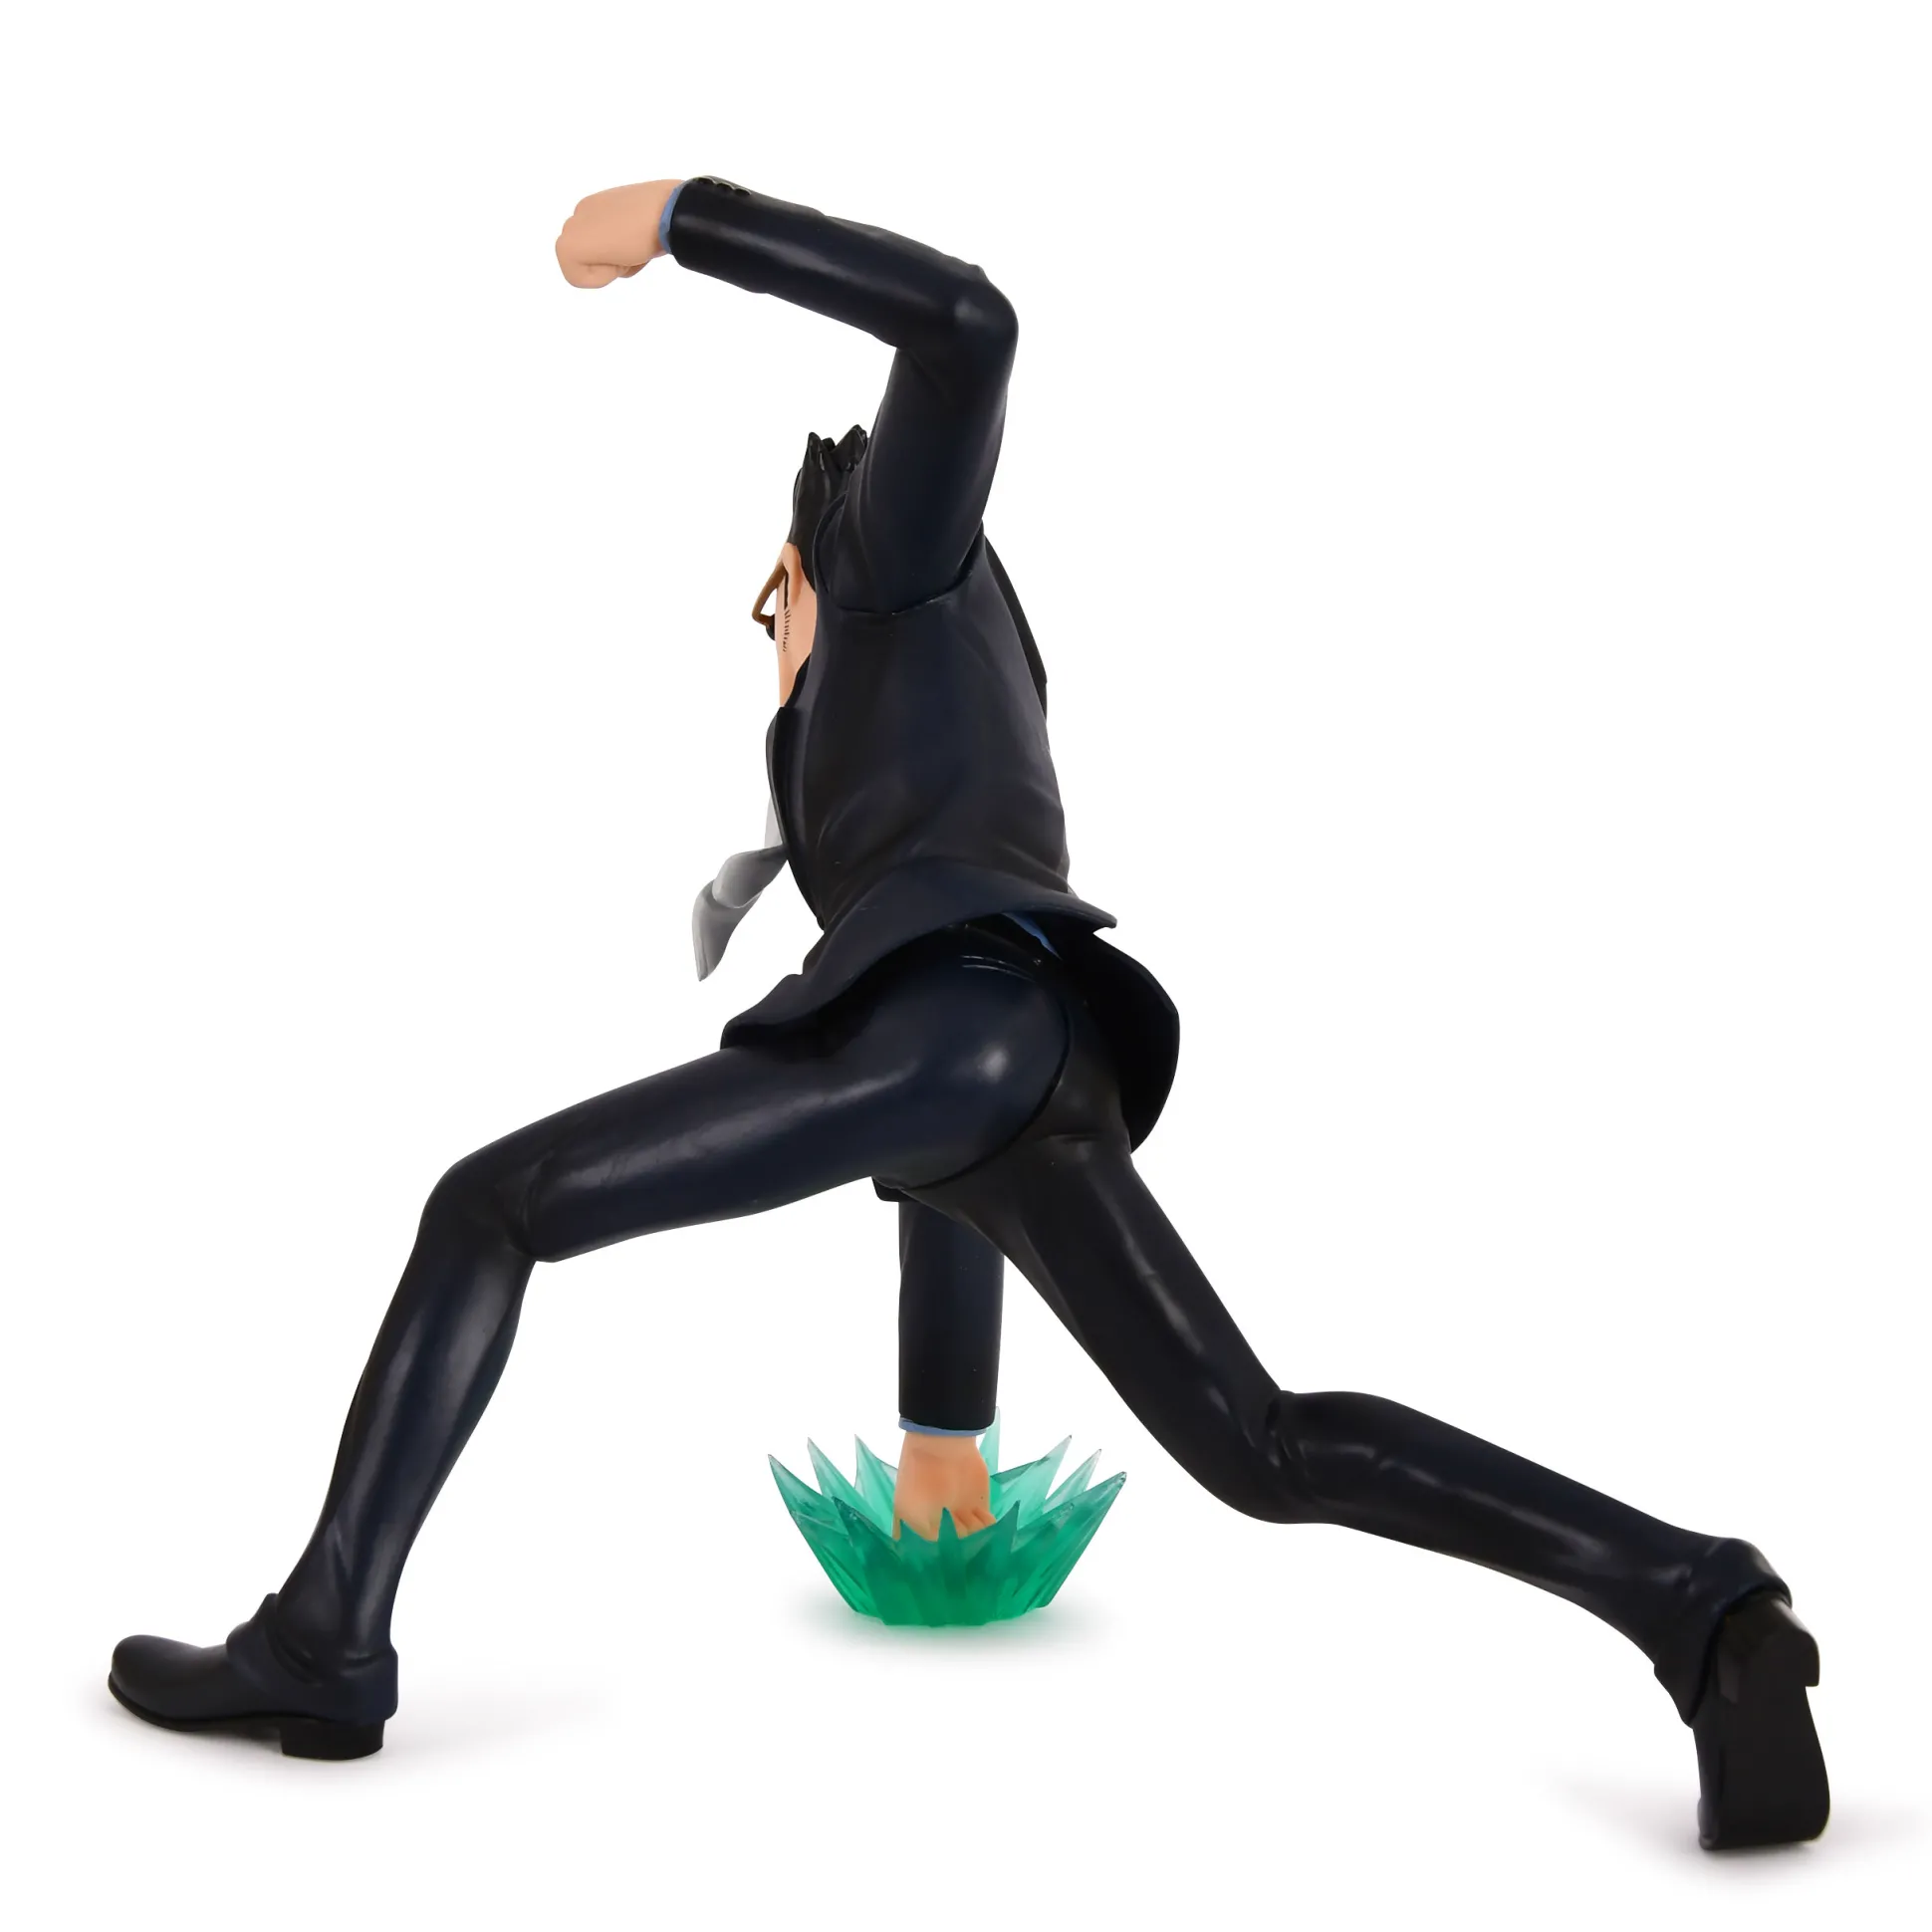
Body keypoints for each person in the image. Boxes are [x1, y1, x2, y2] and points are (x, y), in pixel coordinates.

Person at [109, 175, 1827, 1850]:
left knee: (488, 1206)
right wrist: (946, 1432)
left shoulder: (896, 557)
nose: (768, 642)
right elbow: (940, 1135)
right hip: (1029, 1053)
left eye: (763, 604)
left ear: (806, 561)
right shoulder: (972, 704)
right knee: (1264, 1443)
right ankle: (1699, 1606)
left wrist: (683, 217)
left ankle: (325, 1641)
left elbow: (965, 324)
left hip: (964, 1032)